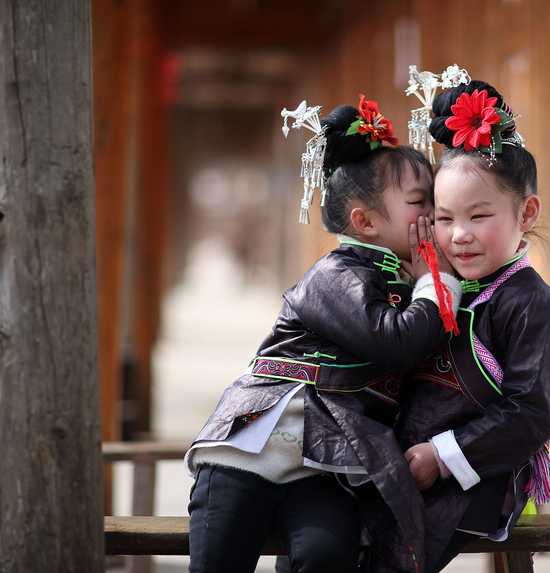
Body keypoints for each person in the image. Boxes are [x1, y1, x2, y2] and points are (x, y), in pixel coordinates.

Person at [184, 95, 462, 573]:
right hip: (247, 451)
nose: (432, 216)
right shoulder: (335, 274)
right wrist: (438, 284)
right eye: (421, 202)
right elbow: (398, 343)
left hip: (322, 467)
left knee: (328, 557)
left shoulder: (406, 278)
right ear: (365, 222)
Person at [371, 80, 550, 572]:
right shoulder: (440, 285)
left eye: (479, 215)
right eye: (444, 219)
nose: (459, 235)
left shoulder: (538, 307)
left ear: (526, 212)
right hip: (412, 460)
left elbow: (532, 413)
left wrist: (443, 456)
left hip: (479, 477)